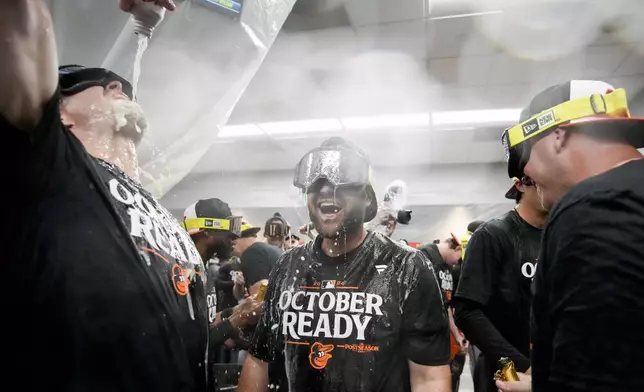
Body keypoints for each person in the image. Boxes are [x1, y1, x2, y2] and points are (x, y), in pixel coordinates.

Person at [0, 1, 223, 390]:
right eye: (94, 84)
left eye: (119, 84)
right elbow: (20, 29)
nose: (117, 86)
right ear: (60, 115)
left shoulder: (154, 204)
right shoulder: (53, 169)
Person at [238, 137, 451, 392]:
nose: (327, 190)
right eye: (316, 183)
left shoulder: (407, 267)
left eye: (343, 181)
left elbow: (429, 377)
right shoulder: (288, 266)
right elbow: (259, 359)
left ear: (367, 199)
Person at [497, 80, 644, 392]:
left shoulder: (593, 209)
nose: (529, 175)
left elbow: (598, 378)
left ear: (558, 135)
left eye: (526, 159)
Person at [453, 173, 547, 392]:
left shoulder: (561, 234)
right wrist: (523, 367)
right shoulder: (493, 235)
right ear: (521, 185)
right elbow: (467, 312)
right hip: (506, 368)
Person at [419, 235, 469, 392]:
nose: (457, 263)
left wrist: (456, 334)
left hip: (439, 337)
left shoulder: (447, 266)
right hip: (423, 338)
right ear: (455, 248)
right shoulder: (423, 256)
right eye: (458, 258)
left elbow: (445, 304)